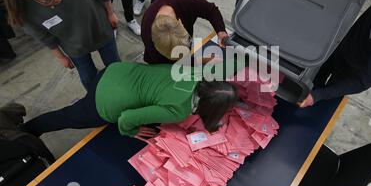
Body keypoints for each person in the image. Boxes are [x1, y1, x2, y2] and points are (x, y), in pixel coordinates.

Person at [0, 0, 121, 90]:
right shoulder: (20, 6)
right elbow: (42, 35)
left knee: (115, 66)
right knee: (88, 76)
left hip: (100, 28)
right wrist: (60, 56)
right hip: (73, 46)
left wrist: (110, 13)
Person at [24, 62, 239, 138]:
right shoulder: (178, 111)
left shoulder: (194, 73)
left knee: (82, 104)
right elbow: (126, 119)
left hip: (115, 72)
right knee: (68, 118)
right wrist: (132, 131)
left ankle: (84, 102)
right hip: (107, 102)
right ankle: (26, 131)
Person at [141, 0, 229, 64]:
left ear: (180, 22)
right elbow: (178, 64)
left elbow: (211, 10)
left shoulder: (185, 1)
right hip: (159, 64)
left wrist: (221, 31)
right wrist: (203, 60)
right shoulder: (147, 34)